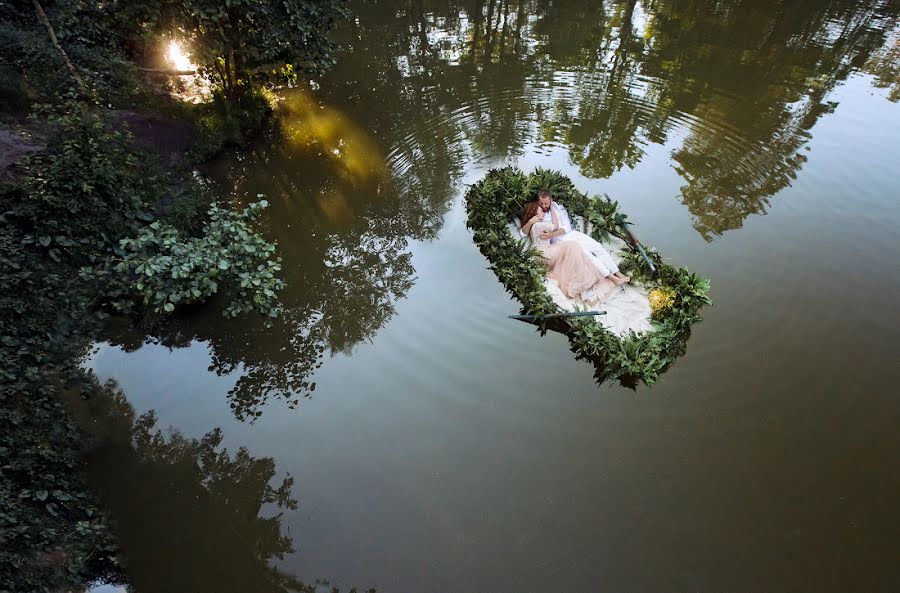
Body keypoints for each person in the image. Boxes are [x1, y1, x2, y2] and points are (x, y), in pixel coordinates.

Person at [521, 190, 630, 285]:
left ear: (551, 200)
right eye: (542, 203)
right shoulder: (537, 212)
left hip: (570, 234)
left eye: (546, 203)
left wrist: (551, 233)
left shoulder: (558, 208)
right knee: (586, 254)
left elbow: (566, 227)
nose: (544, 206)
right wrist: (533, 222)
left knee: (597, 246)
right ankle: (611, 277)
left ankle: (618, 272)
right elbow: (524, 232)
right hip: (559, 243)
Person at [519, 201, 619, 304]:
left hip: (536, 254)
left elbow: (523, 232)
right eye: (541, 211)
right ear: (535, 214)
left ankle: (581, 279)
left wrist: (530, 221)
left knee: (570, 250)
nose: (544, 212)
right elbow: (556, 226)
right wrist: (552, 209)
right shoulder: (541, 225)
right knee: (572, 246)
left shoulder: (532, 226)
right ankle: (578, 285)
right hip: (546, 253)